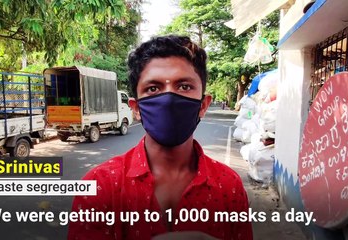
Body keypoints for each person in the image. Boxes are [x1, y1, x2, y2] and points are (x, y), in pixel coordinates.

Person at [68, 35, 253, 240]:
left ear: (203, 105)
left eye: (184, 86)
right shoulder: (101, 185)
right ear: (136, 108)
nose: (168, 100)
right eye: (153, 88)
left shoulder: (228, 185)